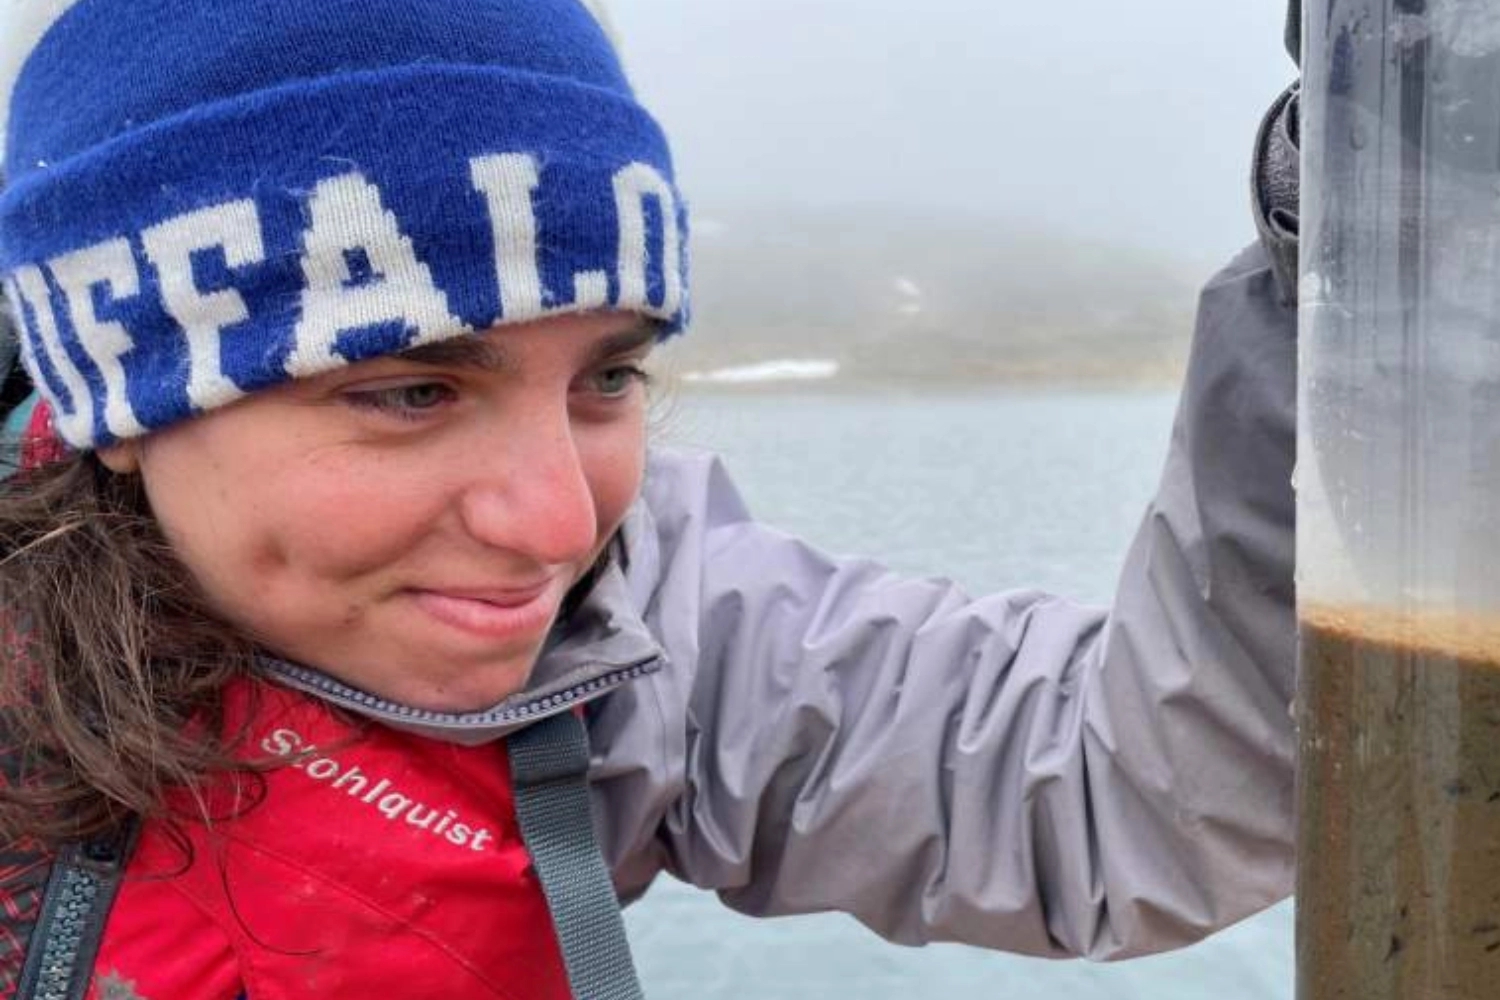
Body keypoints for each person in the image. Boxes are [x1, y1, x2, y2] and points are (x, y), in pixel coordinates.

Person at [0, 0, 1302, 997]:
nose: (559, 526)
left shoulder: (636, 627)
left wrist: (1355, 214)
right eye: (411, 393)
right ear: (123, 402)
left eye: (606, 376)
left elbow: (1129, 794)